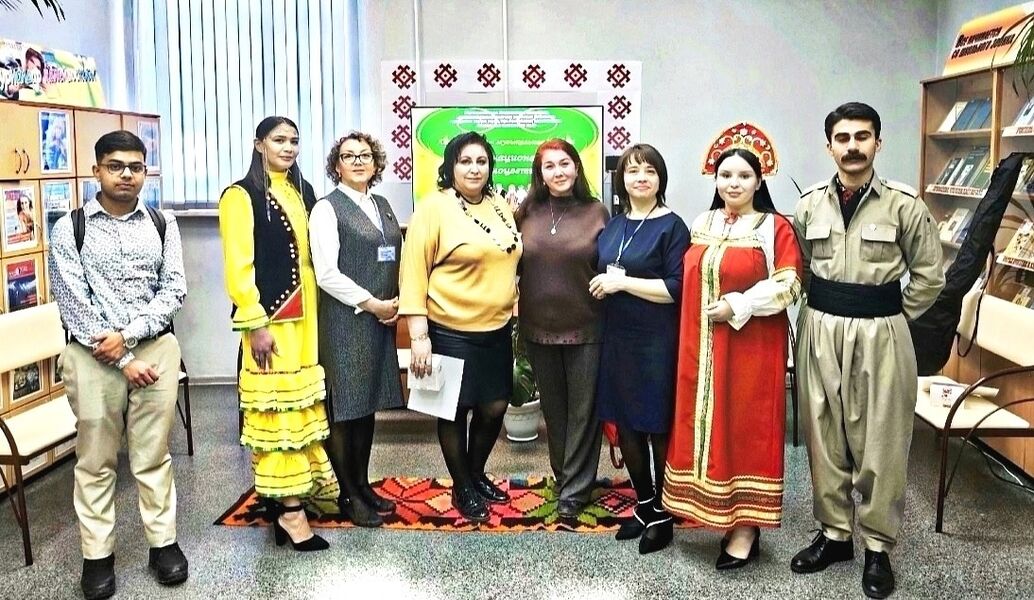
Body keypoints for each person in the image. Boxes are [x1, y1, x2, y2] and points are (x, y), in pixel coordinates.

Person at [791, 102, 944, 599]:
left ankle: (878, 546)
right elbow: (801, 269)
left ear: (878, 142)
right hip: (820, 327)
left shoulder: (904, 204)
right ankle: (835, 535)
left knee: (882, 440)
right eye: (843, 137)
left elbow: (929, 276)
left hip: (881, 331)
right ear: (829, 146)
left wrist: (891, 316)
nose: (852, 146)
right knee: (823, 435)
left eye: (862, 136)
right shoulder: (809, 206)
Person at [48, 130, 188, 600]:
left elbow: (174, 288)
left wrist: (128, 339)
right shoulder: (70, 227)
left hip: (155, 350)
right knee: (95, 459)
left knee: (153, 454)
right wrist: (121, 356)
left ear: (145, 172)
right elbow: (72, 301)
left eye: (135, 167)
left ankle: (163, 545)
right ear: (97, 171)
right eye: (115, 166)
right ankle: (97, 556)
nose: (126, 175)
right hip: (91, 356)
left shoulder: (163, 223)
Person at [661, 145, 802, 570]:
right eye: (725, 176)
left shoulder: (773, 227)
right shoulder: (702, 223)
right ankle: (712, 510)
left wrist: (738, 304)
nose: (733, 184)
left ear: (759, 181)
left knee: (744, 426)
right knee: (704, 425)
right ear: (715, 180)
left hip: (751, 349)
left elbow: (790, 284)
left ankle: (746, 528)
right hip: (699, 347)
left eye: (743, 176)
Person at [219, 116, 336, 552]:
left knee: (301, 406)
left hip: (308, 313)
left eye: (294, 141)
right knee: (279, 411)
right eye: (278, 140)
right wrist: (255, 323)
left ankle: (294, 492)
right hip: (273, 318)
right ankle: (290, 510)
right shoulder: (241, 195)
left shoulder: (303, 190)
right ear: (259, 144)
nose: (288, 147)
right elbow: (239, 266)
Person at [400, 131, 522, 523]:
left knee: (495, 407)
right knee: (452, 412)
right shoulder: (433, 208)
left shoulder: (499, 205)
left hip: (496, 329)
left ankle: (475, 473)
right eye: (465, 161)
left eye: (481, 161)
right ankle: (462, 485)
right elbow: (413, 273)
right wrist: (419, 336)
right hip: (449, 330)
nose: (474, 169)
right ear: (451, 166)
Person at [591, 143, 690, 554]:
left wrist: (621, 283)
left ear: (660, 178)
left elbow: (676, 288)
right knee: (627, 425)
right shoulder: (613, 224)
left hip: (656, 341)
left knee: (656, 426)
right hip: (618, 339)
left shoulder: (673, 226)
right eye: (632, 171)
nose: (641, 178)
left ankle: (665, 512)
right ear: (622, 180)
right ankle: (645, 504)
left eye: (649, 170)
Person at [310, 131, 404, 528]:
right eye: (349, 156)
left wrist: (395, 303)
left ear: (376, 163)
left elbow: (394, 256)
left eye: (365, 155)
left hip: (380, 321)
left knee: (366, 407)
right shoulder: (326, 209)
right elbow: (326, 274)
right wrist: (372, 303)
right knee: (345, 409)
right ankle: (348, 494)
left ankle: (363, 485)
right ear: (337, 165)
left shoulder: (382, 204)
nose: (358, 161)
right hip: (346, 321)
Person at [514, 139, 609, 519]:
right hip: (538, 327)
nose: (559, 172)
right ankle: (564, 477)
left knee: (584, 412)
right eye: (550, 166)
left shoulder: (597, 212)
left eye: (565, 163)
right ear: (540, 174)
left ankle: (576, 490)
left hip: (587, 326)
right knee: (554, 412)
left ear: (577, 167)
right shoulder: (526, 212)